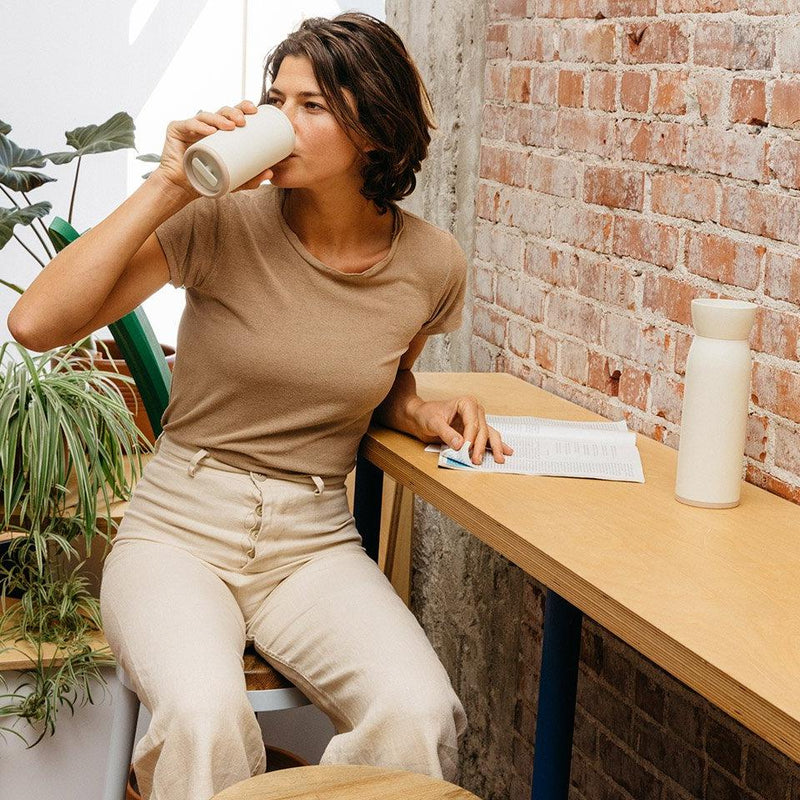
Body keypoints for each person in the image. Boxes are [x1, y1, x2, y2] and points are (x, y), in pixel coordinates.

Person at [9, 12, 513, 800]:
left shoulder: (431, 264)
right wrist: (171, 182)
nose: (280, 118)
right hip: (177, 530)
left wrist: (417, 409)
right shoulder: (218, 220)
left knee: (419, 715)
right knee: (206, 722)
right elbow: (35, 325)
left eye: (312, 105)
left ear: (375, 130)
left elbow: (377, 376)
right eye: (276, 98)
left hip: (311, 543)